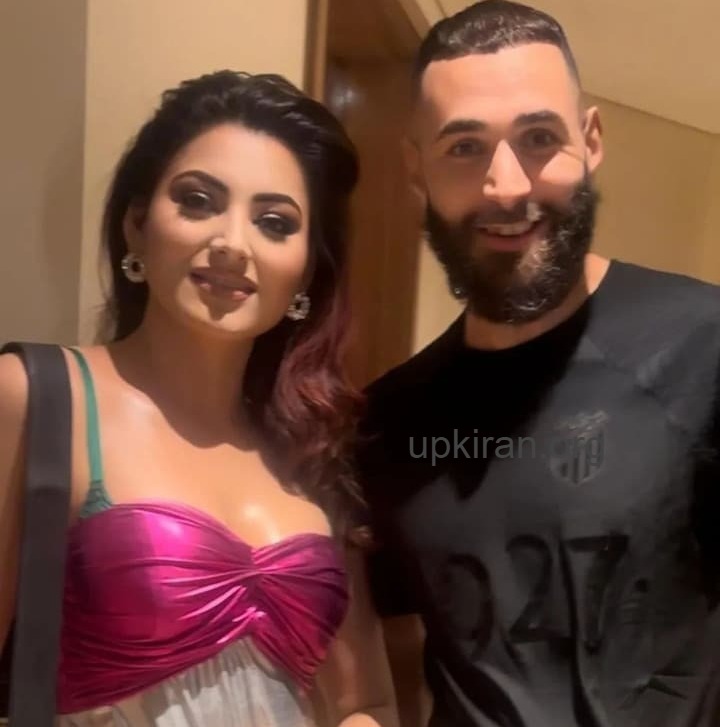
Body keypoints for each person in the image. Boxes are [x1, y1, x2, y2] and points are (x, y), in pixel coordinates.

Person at [355, 2, 720, 726]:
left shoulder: (705, 346)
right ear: (416, 167)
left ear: (590, 140)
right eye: (464, 146)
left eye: (539, 138)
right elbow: (385, 649)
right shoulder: (385, 422)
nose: (508, 187)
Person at [0, 70, 397, 727]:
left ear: (306, 270)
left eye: (274, 222)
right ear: (136, 225)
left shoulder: (311, 451)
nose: (232, 244)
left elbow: (366, 702)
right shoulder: (38, 398)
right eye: (197, 200)